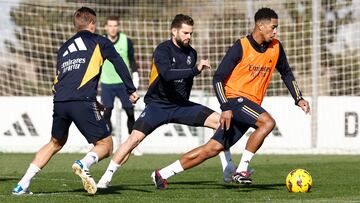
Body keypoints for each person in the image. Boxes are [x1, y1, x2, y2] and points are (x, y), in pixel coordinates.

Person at [151, 7, 310, 189]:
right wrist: (225, 107)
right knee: (267, 123)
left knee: (212, 149)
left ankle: (162, 174)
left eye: (276, 28)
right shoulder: (241, 46)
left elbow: (286, 73)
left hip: (248, 106)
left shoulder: (276, 47)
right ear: (260, 25)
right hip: (235, 101)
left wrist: (298, 98)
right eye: (273, 27)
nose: (275, 31)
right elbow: (218, 77)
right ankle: (242, 170)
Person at [96, 14, 234, 189]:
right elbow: (167, 74)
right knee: (133, 140)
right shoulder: (162, 50)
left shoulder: (191, 53)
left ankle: (228, 168)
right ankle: (105, 179)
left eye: (191, 33)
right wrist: (195, 70)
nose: (188, 37)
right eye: (185, 33)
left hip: (180, 106)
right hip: (158, 106)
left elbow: (186, 84)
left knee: (222, 122)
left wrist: (186, 95)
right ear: (174, 31)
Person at [12, 7, 139, 195]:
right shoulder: (99, 41)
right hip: (81, 100)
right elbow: (119, 62)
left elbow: (64, 80)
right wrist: (130, 89)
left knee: (55, 142)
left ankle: (22, 184)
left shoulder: (64, 48)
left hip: (61, 100)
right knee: (106, 145)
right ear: (93, 24)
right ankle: (83, 163)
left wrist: (92, 102)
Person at [100, 17, 141, 156]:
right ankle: (110, 143)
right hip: (106, 83)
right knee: (106, 112)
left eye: (115, 25)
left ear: (118, 27)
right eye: (110, 25)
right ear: (106, 27)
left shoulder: (126, 41)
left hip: (123, 83)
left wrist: (135, 75)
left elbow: (132, 60)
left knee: (130, 112)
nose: (112, 28)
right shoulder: (100, 41)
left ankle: (133, 144)